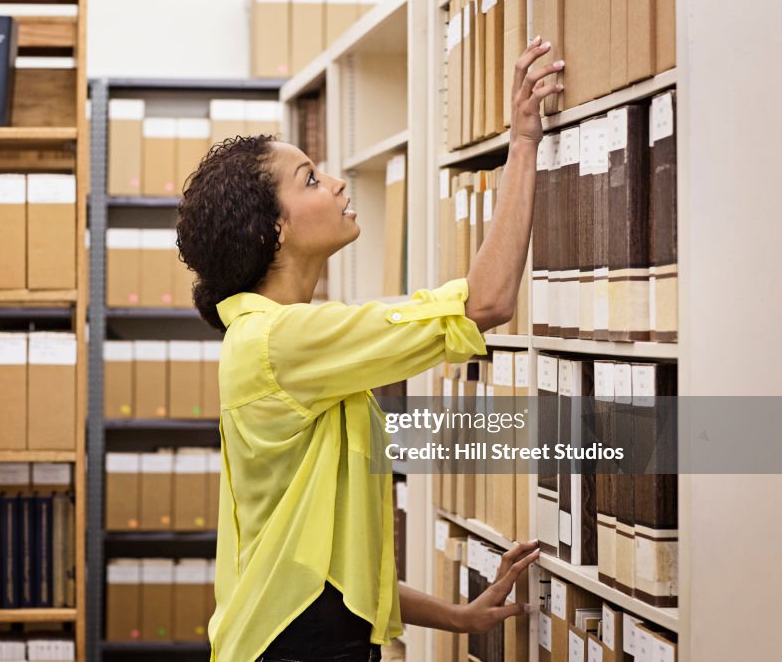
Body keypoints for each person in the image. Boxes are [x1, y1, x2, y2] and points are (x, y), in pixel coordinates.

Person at [175, 39, 565, 662]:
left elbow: (325, 567)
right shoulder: (282, 341)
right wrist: (522, 145)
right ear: (270, 230)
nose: (334, 182)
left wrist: (456, 618)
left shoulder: (276, 339)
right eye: (310, 178)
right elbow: (487, 302)